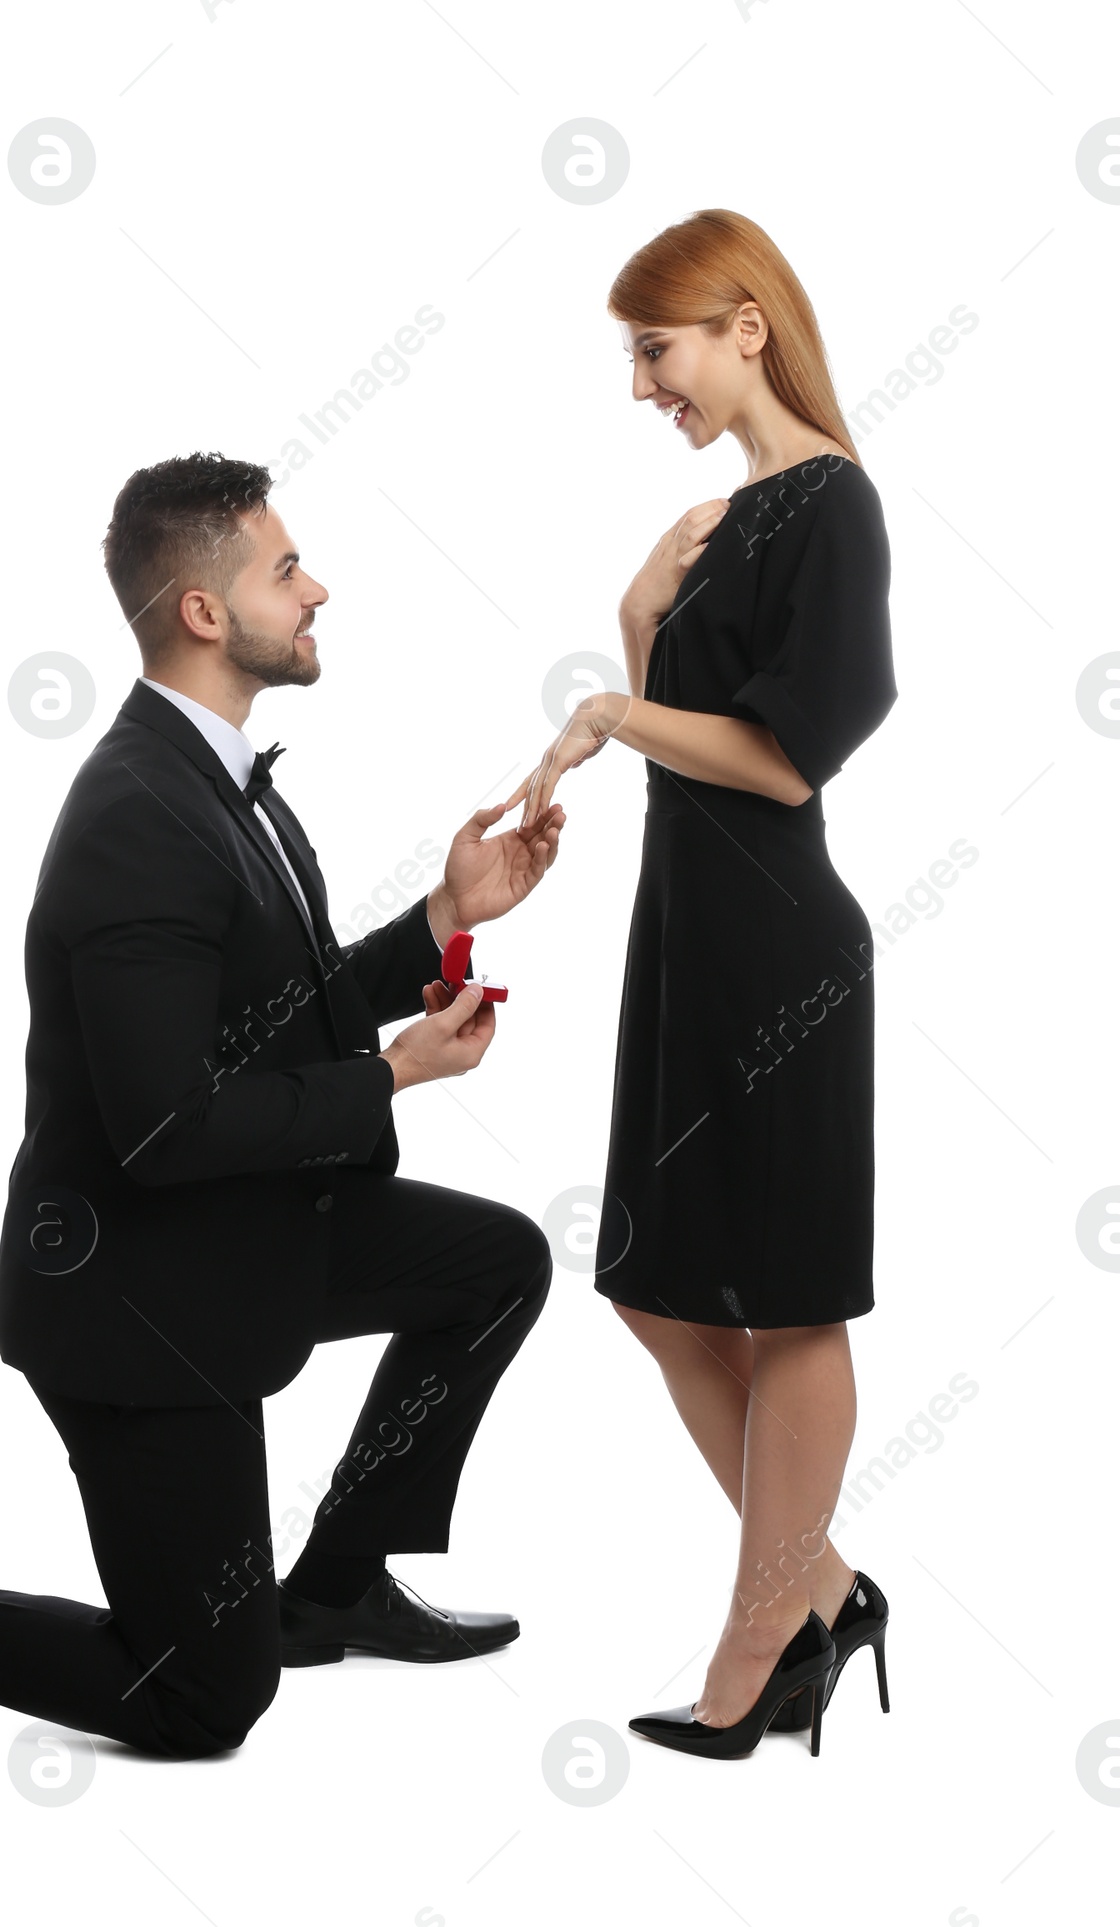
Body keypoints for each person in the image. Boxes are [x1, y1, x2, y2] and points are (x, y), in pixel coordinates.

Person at [0, 452, 565, 1758]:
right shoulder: (139, 816)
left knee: (498, 1265)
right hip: (139, 1299)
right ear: (202, 611)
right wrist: (391, 1075)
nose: (319, 591)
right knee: (207, 1703)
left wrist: (446, 918)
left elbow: (265, 1027)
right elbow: (167, 1127)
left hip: (236, 1234)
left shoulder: (220, 783)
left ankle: (341, 1586)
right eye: (287, 570)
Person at [512, 209, 897, 1759]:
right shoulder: (724, 521)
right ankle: (828, 1587)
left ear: (748, 326)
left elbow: (792, 762)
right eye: (631, 355)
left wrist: (613, 698)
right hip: (686, 945)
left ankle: (756, 1654)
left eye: (653, 348)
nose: (641, 384)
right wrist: (635, 628)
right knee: (655, 1287)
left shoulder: (831, 508)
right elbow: (696, 711)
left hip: (778, 951)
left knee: (787, 1302)